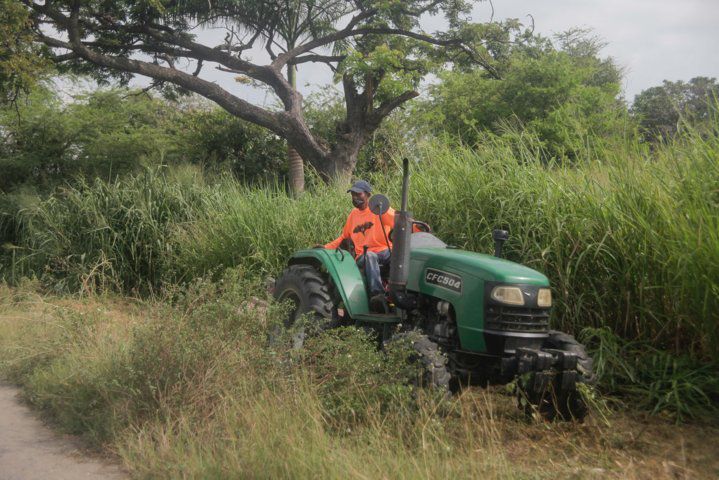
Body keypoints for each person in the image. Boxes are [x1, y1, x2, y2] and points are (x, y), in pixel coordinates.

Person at [321, 180, 395, 310]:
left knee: (401, 254)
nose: (355, 198)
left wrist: (417, 228)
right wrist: (326, 248)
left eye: (358, 194)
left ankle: (399, 293)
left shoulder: (379, 209)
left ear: (368, 195)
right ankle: (377, 295)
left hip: (384, 251)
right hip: (364, 256)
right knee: (370, 256)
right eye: (353, 195)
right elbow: (344, 237)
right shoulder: (353, 215)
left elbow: (399, 222)